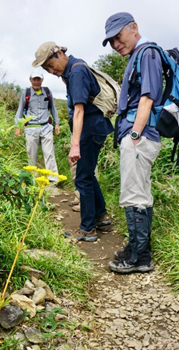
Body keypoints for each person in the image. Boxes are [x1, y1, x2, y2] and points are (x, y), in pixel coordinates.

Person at [33, 42, 112, 242]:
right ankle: (101, 216)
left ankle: (87, 229)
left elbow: (79, 110)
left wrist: (74, 145)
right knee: (87, 175)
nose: (52, 71)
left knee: (83, 178)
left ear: (59, 53)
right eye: (46, 69)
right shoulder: (76, 67)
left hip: (90, 128)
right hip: (95, 127)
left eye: (51, 65)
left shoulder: (76, 72)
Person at [103, 12, 162, 273]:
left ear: (134, 28)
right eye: (111, 41)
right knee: (140, 194)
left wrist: (135, 135)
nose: (116, 44)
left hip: (139, 135)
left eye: (118, 37)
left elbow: (147, 98)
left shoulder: (147, 53)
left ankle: (138, 258)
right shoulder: (139, 55)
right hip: (141, 135)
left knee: (133, 195)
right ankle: (139, 251)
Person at [15, 69, 61, 185]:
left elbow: (53, 108)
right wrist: (17, 127)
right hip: (31, 129)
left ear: (42, 80)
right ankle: (33, 181)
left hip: (46, 127)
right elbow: (20, 110)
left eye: (38, 79)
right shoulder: (26, 93)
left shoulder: (47, 91)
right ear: (30, 80)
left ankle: (53, 180)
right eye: (34, 79)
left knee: (49, 154)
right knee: (32, 156)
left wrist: (56, 124)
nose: (36, 82)